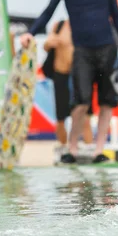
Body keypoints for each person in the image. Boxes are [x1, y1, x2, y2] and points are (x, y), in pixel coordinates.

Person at [20, 0, 118, 164]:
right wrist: (30, 33)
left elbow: (117, 15)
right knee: (81, 100)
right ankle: (71, 148)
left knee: (106, 101)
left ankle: (99, 150)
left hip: (107, 49)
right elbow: (49, 10)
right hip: (82, 50)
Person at [42, 20, 94, 149]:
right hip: (61, 74)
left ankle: (89, 150)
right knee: (61, 118)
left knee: (86, 116)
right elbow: (46, 46)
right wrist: (50, 43)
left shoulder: (85, 25)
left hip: (80, 76)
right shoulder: (59, 26)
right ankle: (64, 148)